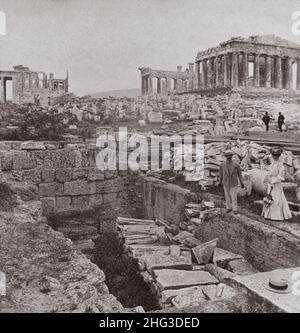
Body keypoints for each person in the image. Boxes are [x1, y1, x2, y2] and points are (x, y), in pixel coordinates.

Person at [262, 147, 292, 221]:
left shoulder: (280, 165)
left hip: (276, 184)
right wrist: (267, 179)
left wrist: (274, 181)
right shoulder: (272, 163)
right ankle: (268, 215)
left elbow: (280, 175)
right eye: (274, 155)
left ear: (279, 156)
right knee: (269, 198)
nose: (275, 157)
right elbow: (269, 172)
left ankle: (277, 216)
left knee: (276, 199)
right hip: (271, 182)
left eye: (276, 155)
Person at [218, 150, 245, 214]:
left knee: (234, 196)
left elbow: (240, 175)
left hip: (233, 182)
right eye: (227, 156)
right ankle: (228, 207)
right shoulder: (222, 165)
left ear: (232, 156)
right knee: (227, 195)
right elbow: (220, 175)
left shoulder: (236, 165)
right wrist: (220, 182)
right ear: (225, 157)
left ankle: (235, 209)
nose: (229, 157)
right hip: (226, 182)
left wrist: (242, 183)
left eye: (230, 156)